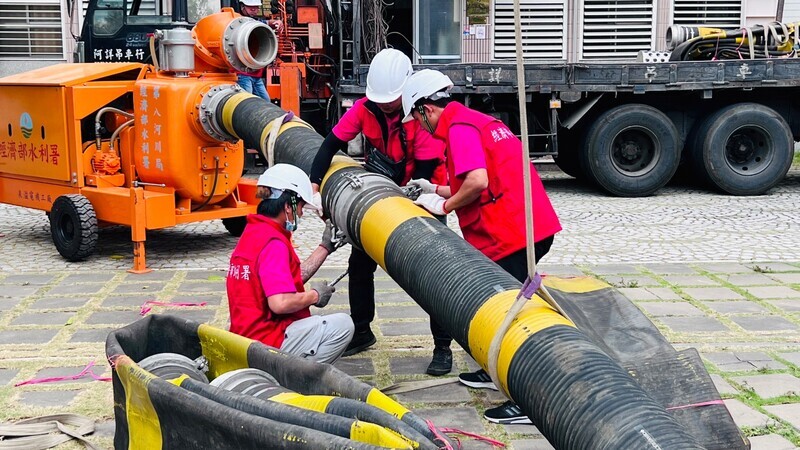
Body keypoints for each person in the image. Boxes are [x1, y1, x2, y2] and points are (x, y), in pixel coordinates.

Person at [401, 69, 562, 424]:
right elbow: (474, 178)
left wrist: (443, 207)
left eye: (416, 117)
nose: (418, 126)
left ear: (426, 109)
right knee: (507, 307)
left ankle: (526, 399)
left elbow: (476, 181)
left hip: (511, 234)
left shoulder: (459, 130)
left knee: (512, 316)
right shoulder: (476, 122)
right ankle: (495, 371)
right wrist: (434, 189)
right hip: (527, 226)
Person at [309, 49, 453, 376]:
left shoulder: (419, 116)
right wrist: (315, 185)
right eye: (381, 100)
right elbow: (330, 144)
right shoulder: (365, 109)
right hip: (382, 191)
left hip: (423, 193)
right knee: (360, 264)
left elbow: (429, 167)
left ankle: (442, 346)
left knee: (434, 274)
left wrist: (408, 197)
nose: (386, 105)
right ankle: (362, 330)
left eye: (392, 100)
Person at [227, 163, 354, 364]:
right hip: (266, 342)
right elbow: (280, 303)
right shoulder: (273, 243)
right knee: (343, 325)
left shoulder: (253, 233)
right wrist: (314, 296)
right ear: (288, 206)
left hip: (243, 338)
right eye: (300, 207)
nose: (301, 213)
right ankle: (297, 378)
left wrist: (325, 248)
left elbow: (282, 280)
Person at [236, 0, 271, 101]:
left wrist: (274, 22)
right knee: (247, 101)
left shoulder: (256, 23)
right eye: (250, 7)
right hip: (243, 74)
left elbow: (263, 23)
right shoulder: (238, 22)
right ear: (242, 6)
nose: (253, 9)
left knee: (266, 101)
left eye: (256, 7)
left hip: (255, 73)